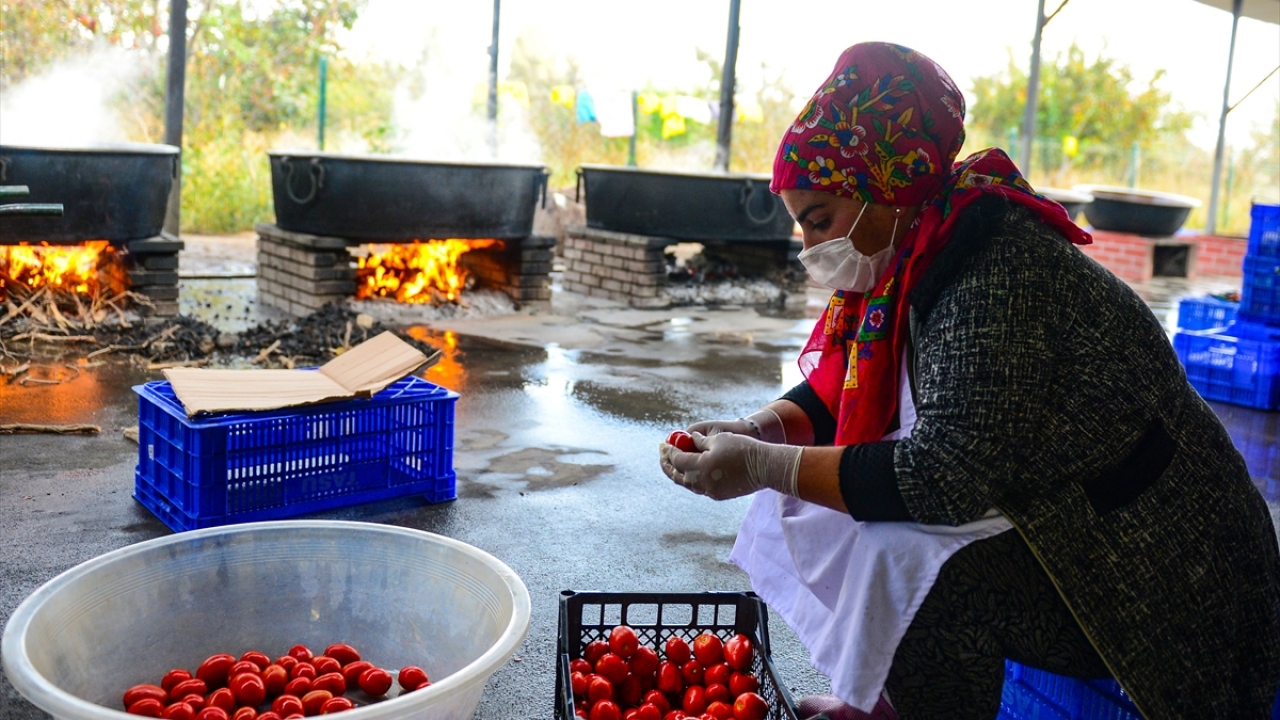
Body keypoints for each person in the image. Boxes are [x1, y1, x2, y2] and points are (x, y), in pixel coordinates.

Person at [658, 41, 1280, 720]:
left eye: (821, 220)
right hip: (1058, 498)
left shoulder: (993, 276)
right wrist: (760, 429)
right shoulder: (917, 251)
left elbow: (940, 481)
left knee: (920, 571)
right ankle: (891, 700)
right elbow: (846, 382)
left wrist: (761, 463)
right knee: (835, 500)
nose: (811, 249)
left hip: (1159, 566)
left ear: (888, 192)